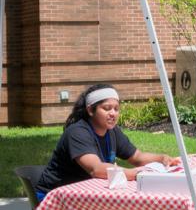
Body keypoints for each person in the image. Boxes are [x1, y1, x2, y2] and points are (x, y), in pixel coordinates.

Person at [35, 84, 179, 200]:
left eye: (116, 109)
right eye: (107, 108)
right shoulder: (77, 132)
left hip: (86, 194)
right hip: (55, 197)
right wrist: (135, 175)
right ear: (90, 110)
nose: (113, 113)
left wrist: (161, 158)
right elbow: (96, 169)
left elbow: (137, 157)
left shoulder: (112, 131)